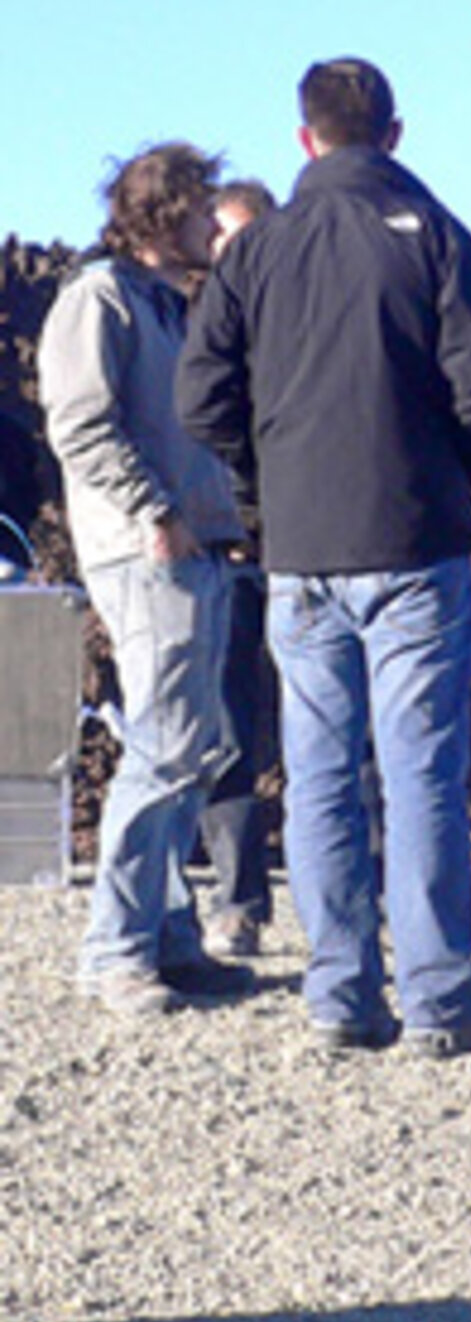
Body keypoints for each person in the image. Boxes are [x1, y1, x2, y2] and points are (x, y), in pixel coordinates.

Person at [178, 59, 471, 1055]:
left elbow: (201, 397)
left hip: (299, 551)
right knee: (420, 772)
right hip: (415, 543)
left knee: (321, 771)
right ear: (396, 132)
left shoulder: (258, 251)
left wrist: (262, 488)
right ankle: (442, 1001)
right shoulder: (437, 237)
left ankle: (339, 998)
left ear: (305, 139)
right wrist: (449, 472)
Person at [36, 143, 251, 1015]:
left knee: (191, 751)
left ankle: (168, 937)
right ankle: (115, 950)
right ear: (163, 216)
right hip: (146, 551)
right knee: (162, 749)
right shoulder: (99, 301)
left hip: (191, 548)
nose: (214, 224)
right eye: (203, 211)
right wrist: (155, 509)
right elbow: (82, 425)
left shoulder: (168, 307)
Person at [195, 179, 281, 958]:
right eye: (219, 238)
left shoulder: (302, 326)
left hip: (301, 551)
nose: (230, 252)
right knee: (225, 735)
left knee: (342, 733)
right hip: (224, 557)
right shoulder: (192, 333)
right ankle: (238, 901)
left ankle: (364, 897)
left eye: (243, 236)